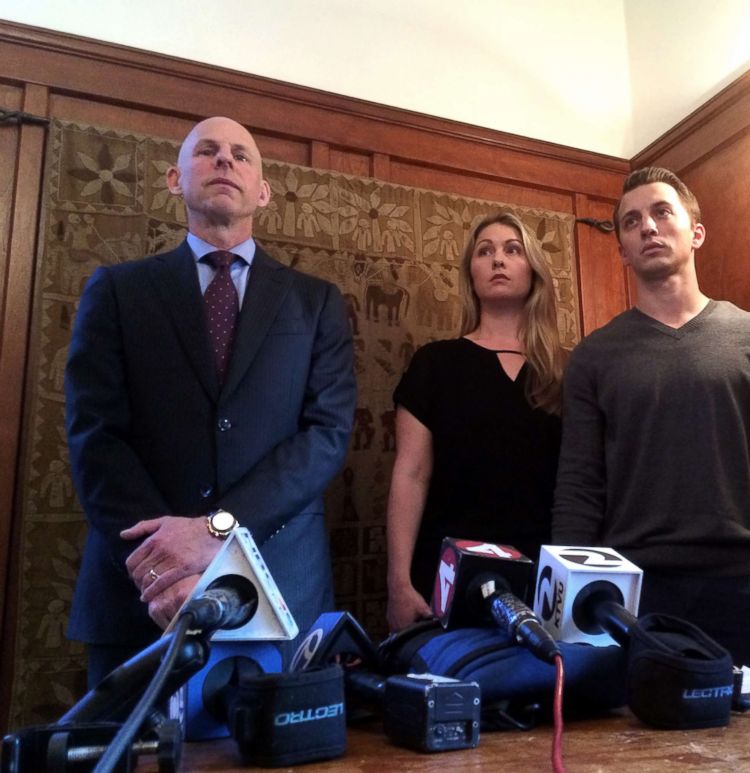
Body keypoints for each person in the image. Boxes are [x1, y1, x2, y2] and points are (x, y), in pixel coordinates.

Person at [65, 116, 356, 685]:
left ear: (263, 192)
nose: (225, 161)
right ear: (175, 179)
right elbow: (94, 435)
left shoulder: (316, 302)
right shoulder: (117, 290)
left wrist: (218, 529)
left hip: (282, 591)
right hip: (142, 593)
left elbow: (327, 435)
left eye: (241, 156)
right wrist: (163, 561)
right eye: (208, 151)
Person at [552, 167, 750, 667]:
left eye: (661, 212)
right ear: (623, 250)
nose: (647, 228)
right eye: (631, 222)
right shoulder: (593, 357)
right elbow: (578, 485)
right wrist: (575, 596)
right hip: (634, 595)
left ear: (695, 232)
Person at [385, 212, 565, 631]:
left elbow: (587, 486)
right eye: (485, 251)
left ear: (533, 269)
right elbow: (411, 475)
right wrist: (398, 583)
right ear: (471, 273)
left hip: (546, 578)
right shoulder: (435, 363)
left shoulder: (568, 371)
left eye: (512, 249)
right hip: (450, 574)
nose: (497, 260)